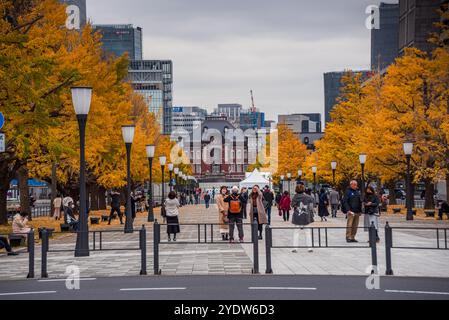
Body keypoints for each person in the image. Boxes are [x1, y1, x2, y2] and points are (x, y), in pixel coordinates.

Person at [291, 185, 314, 253]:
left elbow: (292, 205)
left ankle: (295, 248)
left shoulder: (295, 197)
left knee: (296, 233)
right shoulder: (308, 197)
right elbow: (311, 206)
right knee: (308, 233)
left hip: (297, 216)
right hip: (306, 216)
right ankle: (309, 248)